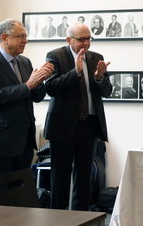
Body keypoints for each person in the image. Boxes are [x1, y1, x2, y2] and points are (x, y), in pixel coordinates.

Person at [44, 23, 111, 210]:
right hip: (62, 126)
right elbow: (51, 88)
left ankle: (81, 218)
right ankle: (57, 220)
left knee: (84, 179)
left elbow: (107, 91)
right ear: (68, 40)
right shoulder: (55, 56)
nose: (86, 43)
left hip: (89, 126)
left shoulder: (96, 58)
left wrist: (99, 78)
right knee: (60, 180)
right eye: (82, 39)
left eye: (89, 38)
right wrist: (76, 72)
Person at [0, 19, 53, 176]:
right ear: (4, 37)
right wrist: (29, 85)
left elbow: (36, 97)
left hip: (24, 142)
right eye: (20, 36)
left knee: (19, 194)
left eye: (26, 36)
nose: (25, 40)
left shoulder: (24, 62)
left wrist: (41, 78)